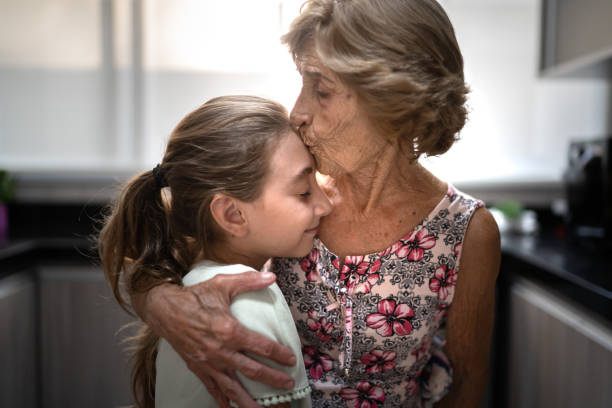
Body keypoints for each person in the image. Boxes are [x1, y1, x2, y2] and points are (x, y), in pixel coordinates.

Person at [124, 0, 501, 407]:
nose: (297, 112)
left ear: (394, 100)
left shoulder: (465, 232)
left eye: (320, 89)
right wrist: (162, 305)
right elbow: (162, 261)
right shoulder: (287, 196)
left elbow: (467, 378)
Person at [98, 95, 333, 407]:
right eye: (303, 192)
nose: (325, 204)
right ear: (232, 215)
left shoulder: (196, 283)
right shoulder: (247, 300)